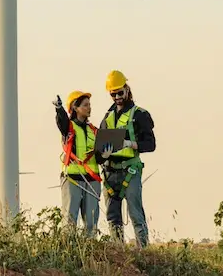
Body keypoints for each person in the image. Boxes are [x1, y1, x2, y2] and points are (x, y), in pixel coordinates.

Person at [98, 70, 156, 247]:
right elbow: (99, 151)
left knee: (135, 214)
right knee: (112, 216)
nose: (117, 97)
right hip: (110, 172)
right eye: (113, 94)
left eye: (119, 93)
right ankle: (119, 252)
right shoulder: (107, 117)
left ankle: (143, 252)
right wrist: (102, 154)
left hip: (130, 170)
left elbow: (151, 144)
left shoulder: (139, 114)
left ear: (127, 89)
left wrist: (130, 144)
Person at [53, 91, 113, 235]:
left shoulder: (94, 130)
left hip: (92, 180)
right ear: (75, 107)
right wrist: (59, 108)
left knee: (91, 220)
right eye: (85, 105)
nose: (89, 108)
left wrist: (105, 155)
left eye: (89, 105)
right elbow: (62, 121)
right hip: (72, 178)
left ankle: (90, 251)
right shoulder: (69, 127)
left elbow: (99, 158)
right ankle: (68, 251)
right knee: (70, 219)